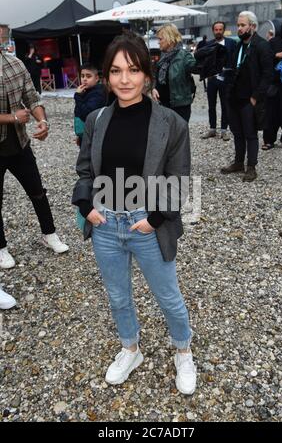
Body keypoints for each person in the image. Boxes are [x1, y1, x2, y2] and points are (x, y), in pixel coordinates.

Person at [72, 31, 196, 395]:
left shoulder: (171, 123)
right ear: (107, 77)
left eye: (133, 70)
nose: (124, 80)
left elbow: (179, 179)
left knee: (168, 295)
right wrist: (86, 207)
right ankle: (130, 349)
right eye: (115, 71)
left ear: (146, 73)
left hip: (147, 222)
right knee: (118, 296)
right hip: (106, 223)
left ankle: (183, 351)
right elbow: (84, 171)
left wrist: (155, 218)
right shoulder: (96, 119)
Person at [0, 29, 69, 269]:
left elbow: (32, 98)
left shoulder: (15, 63)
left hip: (19, 144)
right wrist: (13, 118)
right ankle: (1, 248)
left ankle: (49, 234)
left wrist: (43, 121)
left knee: (37, 191)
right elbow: (19, 114)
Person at [221, 11, 273, 182]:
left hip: (250, 99)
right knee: (237, 133)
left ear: (253, 26)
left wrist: (255, 97)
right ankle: (238, 162)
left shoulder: (262, 45)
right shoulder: (239, 45)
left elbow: (267, 74)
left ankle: (251, 167)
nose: (240, 28)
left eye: (243, 25)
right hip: (234, 97)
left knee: (250, 134)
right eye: (238, 25)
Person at [151, 24, 197, 123]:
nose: (158, 42)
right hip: (162, 105)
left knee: (178, 136)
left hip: (179, 107)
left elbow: (196, 68)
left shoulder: (184, 56)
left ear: (169, 39)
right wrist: (154, 88)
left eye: (160, 39)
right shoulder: (163, 57)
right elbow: (157, 77)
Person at [201, 22, 237, 141]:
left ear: (224, 30)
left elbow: (234, 60)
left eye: (220, 29)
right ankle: (212, 129)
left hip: (226, 79)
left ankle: (224, 130)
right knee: (211, 105)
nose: (218, 31)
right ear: (213, 31)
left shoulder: (231, 43)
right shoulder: (209, 44)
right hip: (212, 79)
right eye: (216, 29)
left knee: (225, 105)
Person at [263, 16, 282, 151]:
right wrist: (276, 55)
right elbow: (264, 58)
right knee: (271, 114)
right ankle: (269, 140)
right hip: (275, 84)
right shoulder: (273, 41)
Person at [74, 63, 107, 147]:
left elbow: (86, 113)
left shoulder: (98, 93)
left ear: (96, 78)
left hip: (93, 136)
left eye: (88, 76)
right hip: (86, 133)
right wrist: (80, 135)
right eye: (82, 76)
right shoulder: (86, 91)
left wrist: (77, 96)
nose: (84, 79)